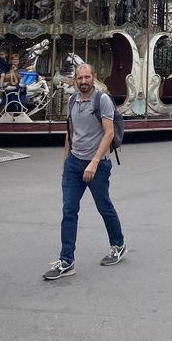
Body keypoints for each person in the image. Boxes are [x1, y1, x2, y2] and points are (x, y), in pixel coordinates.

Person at [44, 63, 125, 281]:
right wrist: (65, 161)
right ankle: (66, 260)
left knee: (104, 206)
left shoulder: (102, 100)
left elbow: (108, 134)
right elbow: (70, 132)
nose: (83, 81)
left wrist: (95, 162)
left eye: (87, 77)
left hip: (97, 165)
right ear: (75, 79)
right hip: (74, 163)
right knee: (68, 211)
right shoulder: (72, 101)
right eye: (79, 78)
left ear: (94, 77)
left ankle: (118, 244)